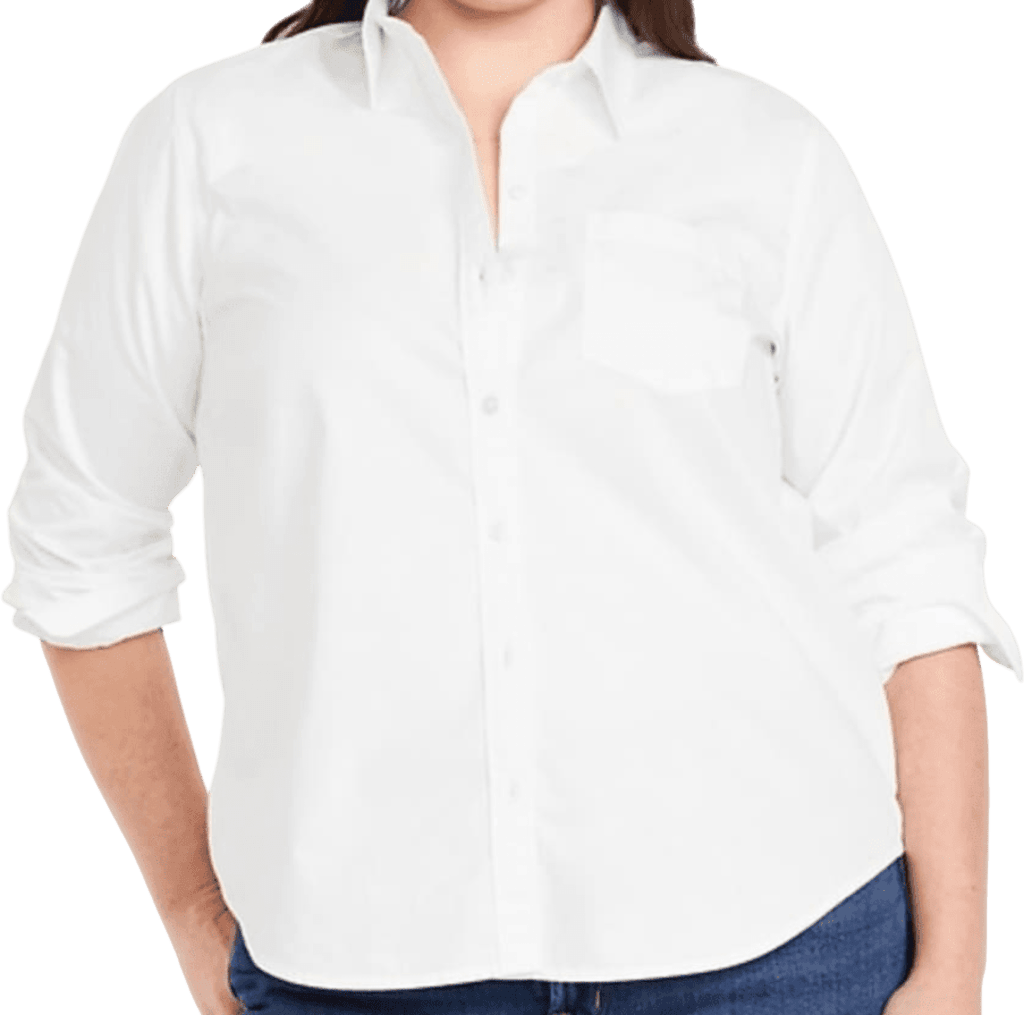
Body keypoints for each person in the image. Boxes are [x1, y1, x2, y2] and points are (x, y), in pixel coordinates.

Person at [3, 0, 1018, 1013]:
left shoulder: (763, 153)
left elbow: (905, 557)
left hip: (783, 946)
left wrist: (953, 964)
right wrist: (193, 905)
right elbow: (80, 536)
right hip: (359, 966)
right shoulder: (210, 143)